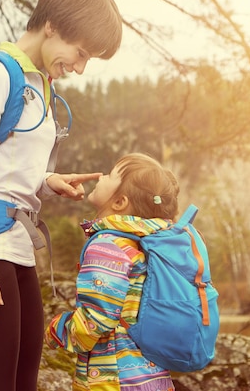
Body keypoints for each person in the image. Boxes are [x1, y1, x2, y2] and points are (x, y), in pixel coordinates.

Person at [0, 0, 123, 390]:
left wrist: (46, 180)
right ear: (52, 25)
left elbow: (0, 168)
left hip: (15, 250)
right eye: (81, 53)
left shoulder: (36, 85)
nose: (79, 67)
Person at [45, 153, 179, 391]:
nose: (102, 176)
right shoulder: (146, 242)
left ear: (119, 203)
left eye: (111, 174)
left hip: (114, 376)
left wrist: (58, 330)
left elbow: (97, 317)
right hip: (149, 372)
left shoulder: (108, 245)